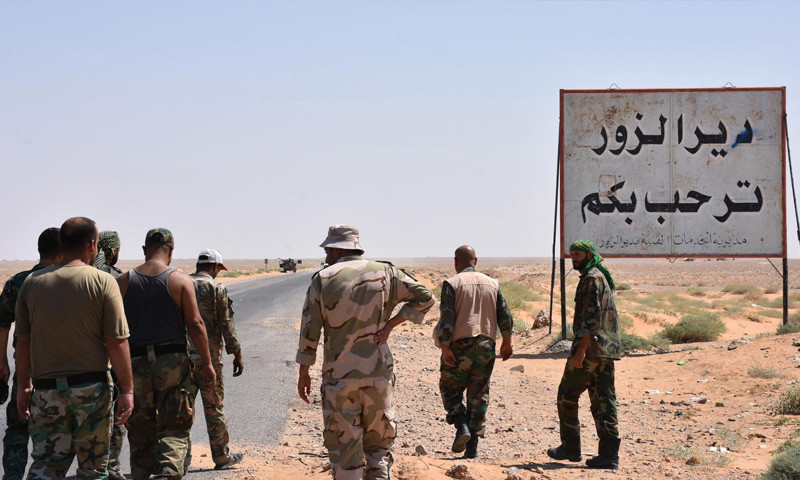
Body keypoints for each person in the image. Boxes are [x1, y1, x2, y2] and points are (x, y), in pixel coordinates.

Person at [296, 225, 435, 480]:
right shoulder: (387, 273)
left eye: (328, 250)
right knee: (378, 449)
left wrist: (304, 372)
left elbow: (309, 331)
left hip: (340, 379)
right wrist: (392, 324)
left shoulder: (323, 279)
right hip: (378, 377)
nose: (326, 256)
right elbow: (425, 297)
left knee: (345, 448)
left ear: (338, 249)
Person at [14, 217, 134, 480]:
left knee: (46, 465)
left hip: (45, 391)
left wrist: (24, 385)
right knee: (93, 469)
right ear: (92, 244)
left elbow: (23, 341)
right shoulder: (103, 282)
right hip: (91, 390)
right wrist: (127, 389)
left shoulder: (31, 283)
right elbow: (117, 341)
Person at [118, 228, 216, 480]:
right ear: (171, 250)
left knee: (140, 431)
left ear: (144, 249)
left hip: (135, 363)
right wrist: (206, 363)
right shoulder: (181, 280)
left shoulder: (124, 281)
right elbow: (195, 324)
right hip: (172, 363)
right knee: (174, 428)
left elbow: (114, 330)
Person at [547, 240, 622, 470]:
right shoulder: (599, 275)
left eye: (577, 254)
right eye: (571, 255)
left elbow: (592, 318)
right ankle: (609, 455)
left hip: (590, 351)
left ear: (589, 254)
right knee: (603, 400)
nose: (574, 258)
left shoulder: (591, 278)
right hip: (606, 351)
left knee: (567, 394)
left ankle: (571, 448)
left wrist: (580, 350)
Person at [433, 245, 514, 459]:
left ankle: (461, 427)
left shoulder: (452, 283)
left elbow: (447, 319)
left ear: (455, 262)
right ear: (475, 261)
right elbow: (505, 314)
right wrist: (507, 341)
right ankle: (472, 449)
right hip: (487, 344)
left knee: (450, 389)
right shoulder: (492, 284)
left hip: (460, 344)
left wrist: (445, 346)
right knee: (479, 394)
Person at [0, 228, 62, 480]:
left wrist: (2, 361)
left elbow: (3, 323)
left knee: (17, 426)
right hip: (59, 370)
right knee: (53, 431)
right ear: (62, 252)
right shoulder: (66, 280)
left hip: (24, 367)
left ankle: (12, 475)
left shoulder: (17, 282)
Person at [184, 248, 244, 472]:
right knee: (214, 408)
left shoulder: (181, 284)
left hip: (183, 359)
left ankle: (182, 459)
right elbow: (227, 325)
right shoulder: (216, 288)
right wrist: (236, 353)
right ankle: (221, 457)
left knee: (183, 409)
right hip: (209, 361)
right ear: (216, 267)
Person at [90, 229, 126, 480]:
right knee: (116, 416)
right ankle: (110, 466)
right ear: (113, 251)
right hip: (111, 361)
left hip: (82, 360)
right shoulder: (117, 279)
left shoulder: (82, 276)